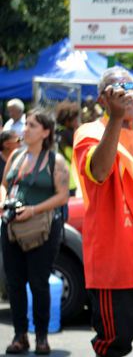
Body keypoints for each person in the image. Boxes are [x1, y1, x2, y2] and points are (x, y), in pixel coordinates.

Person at [72, 67, 133, 357]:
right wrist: (115, 120)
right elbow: (99, 171)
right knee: (113, 347)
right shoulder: (89, 132)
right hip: (117, 262)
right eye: (116, 87)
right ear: (103, 98)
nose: (125, 91)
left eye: (129, 86)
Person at [1, 109, 70, 354]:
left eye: (31, 125)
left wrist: (33, 210)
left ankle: (41, 337)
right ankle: (20, 336)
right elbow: (4, 184)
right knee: (15, 284)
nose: (25, 129)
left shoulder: (55, 160)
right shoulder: (16, 156)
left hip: (42, 230)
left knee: (38, 283)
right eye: (26, 124)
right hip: (11, 229)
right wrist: (3, 202)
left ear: (46, 132)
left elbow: (63, 196)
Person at [55, 101, 80, 195]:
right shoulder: (68, 134)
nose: (77, 122)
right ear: (67, 121)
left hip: (59, 175)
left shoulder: (57, 132)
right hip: (70, 178)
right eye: (75, 120)